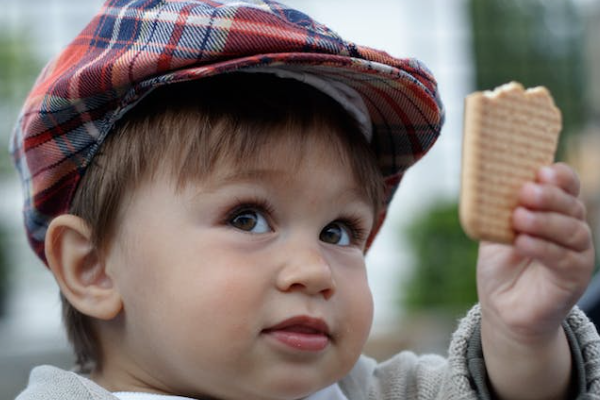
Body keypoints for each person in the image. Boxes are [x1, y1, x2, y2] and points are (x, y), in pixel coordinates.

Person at [9, 1, 599, 399]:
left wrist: (521, 337)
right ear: (93, 267)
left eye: (339, 231)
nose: (314, 271)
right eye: (247, 217)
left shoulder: (368, 391)